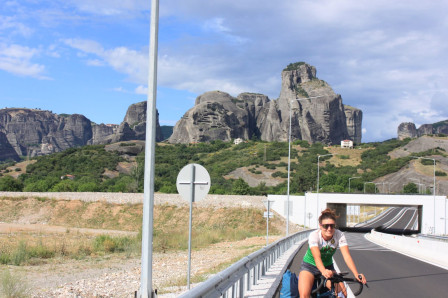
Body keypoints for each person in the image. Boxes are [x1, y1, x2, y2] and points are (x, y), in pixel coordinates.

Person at [298, 208, 367, 298]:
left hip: (328, 267)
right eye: (326, 226)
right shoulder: (314, 236)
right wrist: (323, 271)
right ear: (320, 226)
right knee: (304, 296)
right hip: (309, 267)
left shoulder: (339, 235)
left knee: (343, 294)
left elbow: (346, 256)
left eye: (332, 225)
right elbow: (317, 257)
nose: (329, 229)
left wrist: (356, 274)